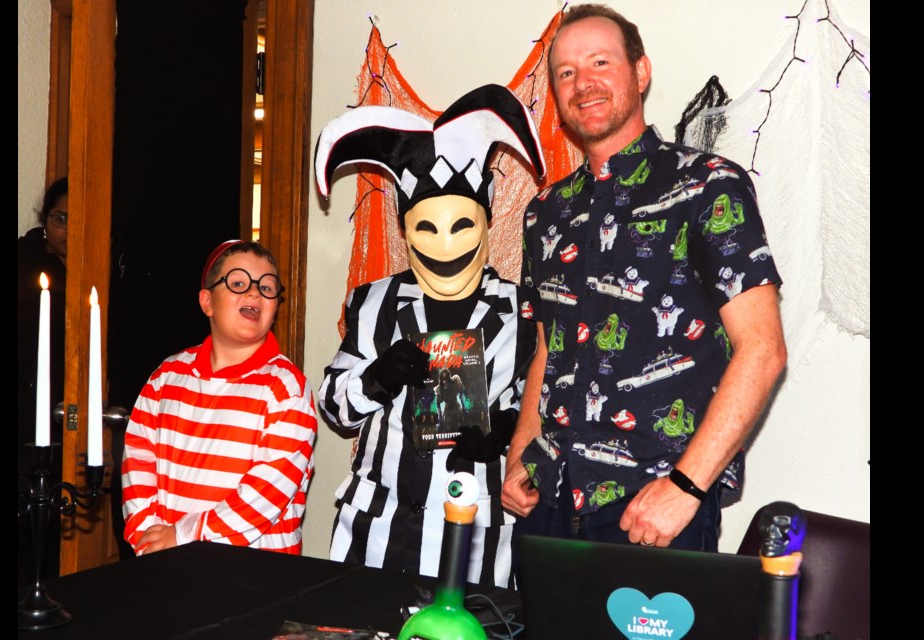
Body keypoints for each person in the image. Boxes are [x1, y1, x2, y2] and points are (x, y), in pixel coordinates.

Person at [501, 4, 787, 556]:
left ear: (640, 71)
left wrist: (685, 488)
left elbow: (764, 349)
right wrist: (519, 451)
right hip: (549, 509)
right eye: (566, 72)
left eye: (600, 62)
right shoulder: (545, 212)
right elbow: (546, 348)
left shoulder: (709, 187)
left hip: (653, 512)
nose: (583, 83)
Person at [316, 85, 544, 588]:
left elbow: (546, 409)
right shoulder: (373, 300)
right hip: (375, 533)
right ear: (404, 229)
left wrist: (507, 434)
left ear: (485, 223)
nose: (445, 245)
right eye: (426, 227)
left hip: (472, 540)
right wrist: (374, 379)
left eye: (462, 225)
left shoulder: (522, 311)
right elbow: (333, 406)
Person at [120, 240, 317, 555]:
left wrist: (184, 536)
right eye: (238, 283)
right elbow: (138, 460)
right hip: (167, 563)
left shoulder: (286, 388)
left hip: (254, 576)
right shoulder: (166, 376)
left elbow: (265, 494)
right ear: (207, 301)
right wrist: (148, 535)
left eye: (267, 288)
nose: (255, 293)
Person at [17, 176, 69, 584]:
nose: (66, 230)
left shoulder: (106, 266)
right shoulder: (23, 262)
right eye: (59, 219)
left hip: (71, 418)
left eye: (76, 219)